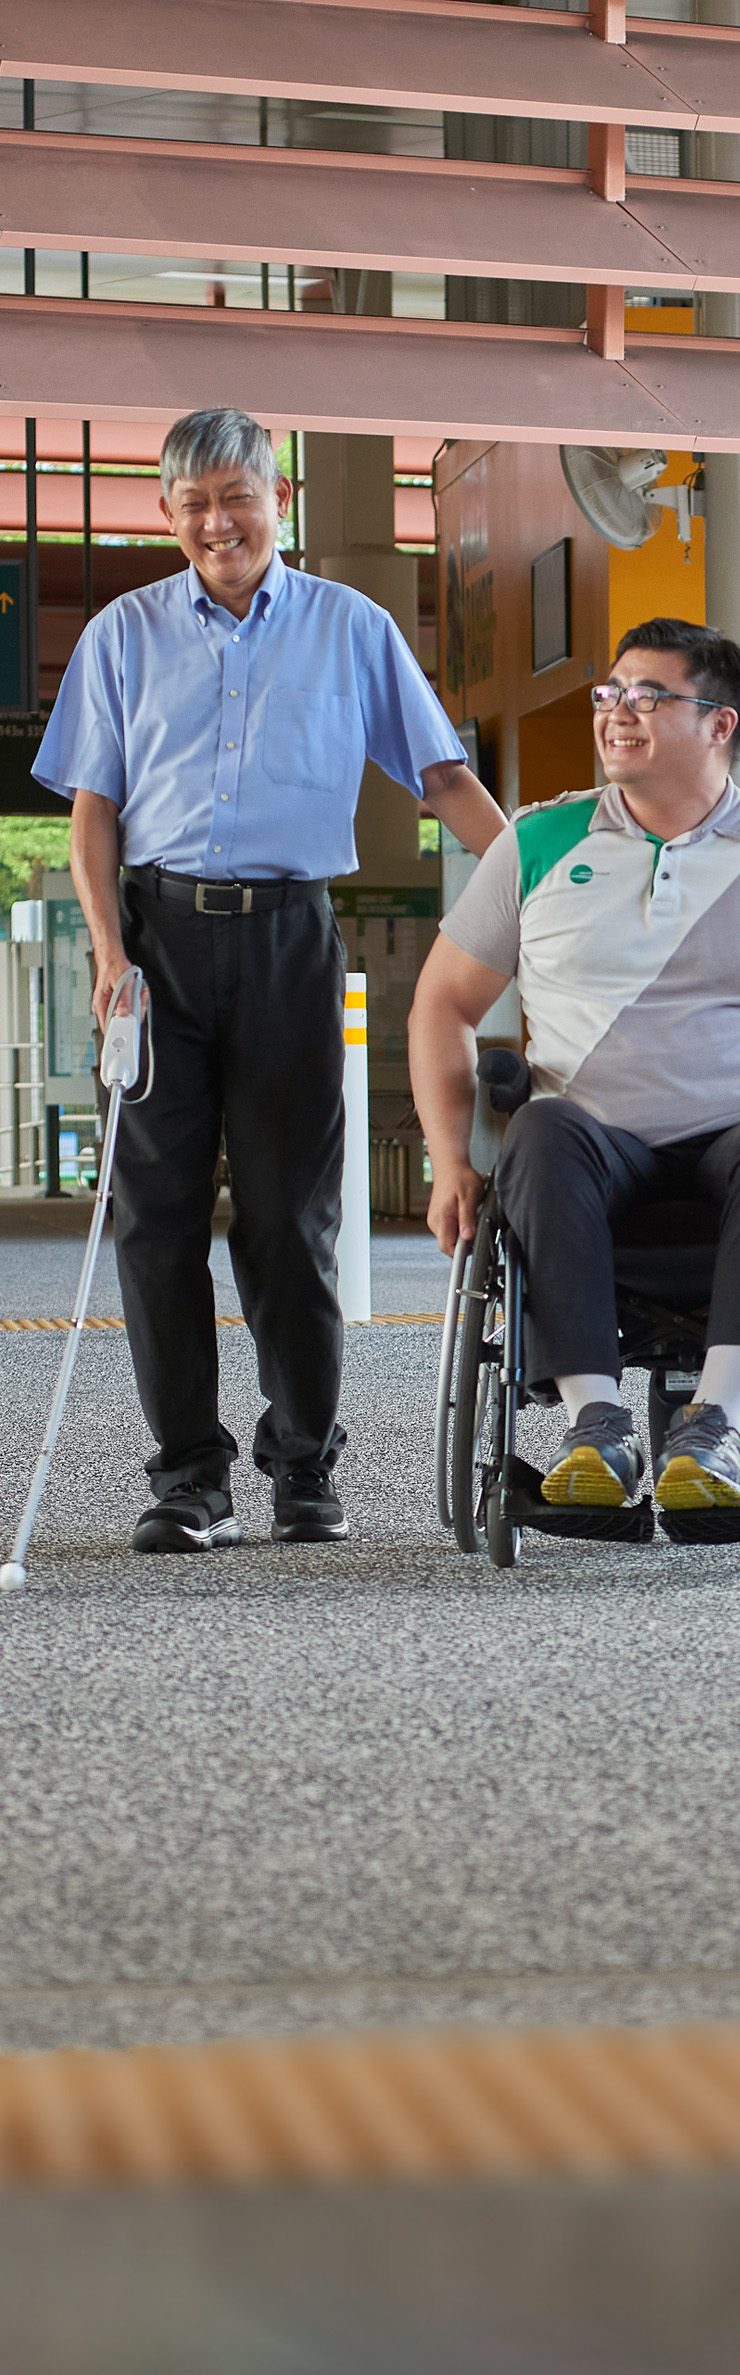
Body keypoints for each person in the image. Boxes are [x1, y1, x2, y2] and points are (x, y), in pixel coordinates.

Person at [33, 406, 504, 1556]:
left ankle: (303, 1467)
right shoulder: (121, 634)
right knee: (155, 1220)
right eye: (190, 503)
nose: (214, 522)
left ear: (276, 499)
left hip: (291, 939)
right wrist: (107, 952)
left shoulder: (351, 628)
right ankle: (187, 1477)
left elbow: (441, 779)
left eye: (234, 496)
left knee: (292, 1220)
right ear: (167, 514)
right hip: (155, 942)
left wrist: (539, 891)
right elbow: (93, 812)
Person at [409, 614, 740, 1518]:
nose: (617, 712)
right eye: (610, 693)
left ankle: (715, 1427)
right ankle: (599, 1426)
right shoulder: (539, 842)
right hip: (592, 1142)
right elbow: (444, 1004)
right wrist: (449, 1162)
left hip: (729, 1136)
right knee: (541, 1127)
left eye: (649, 695)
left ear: (719, 723)